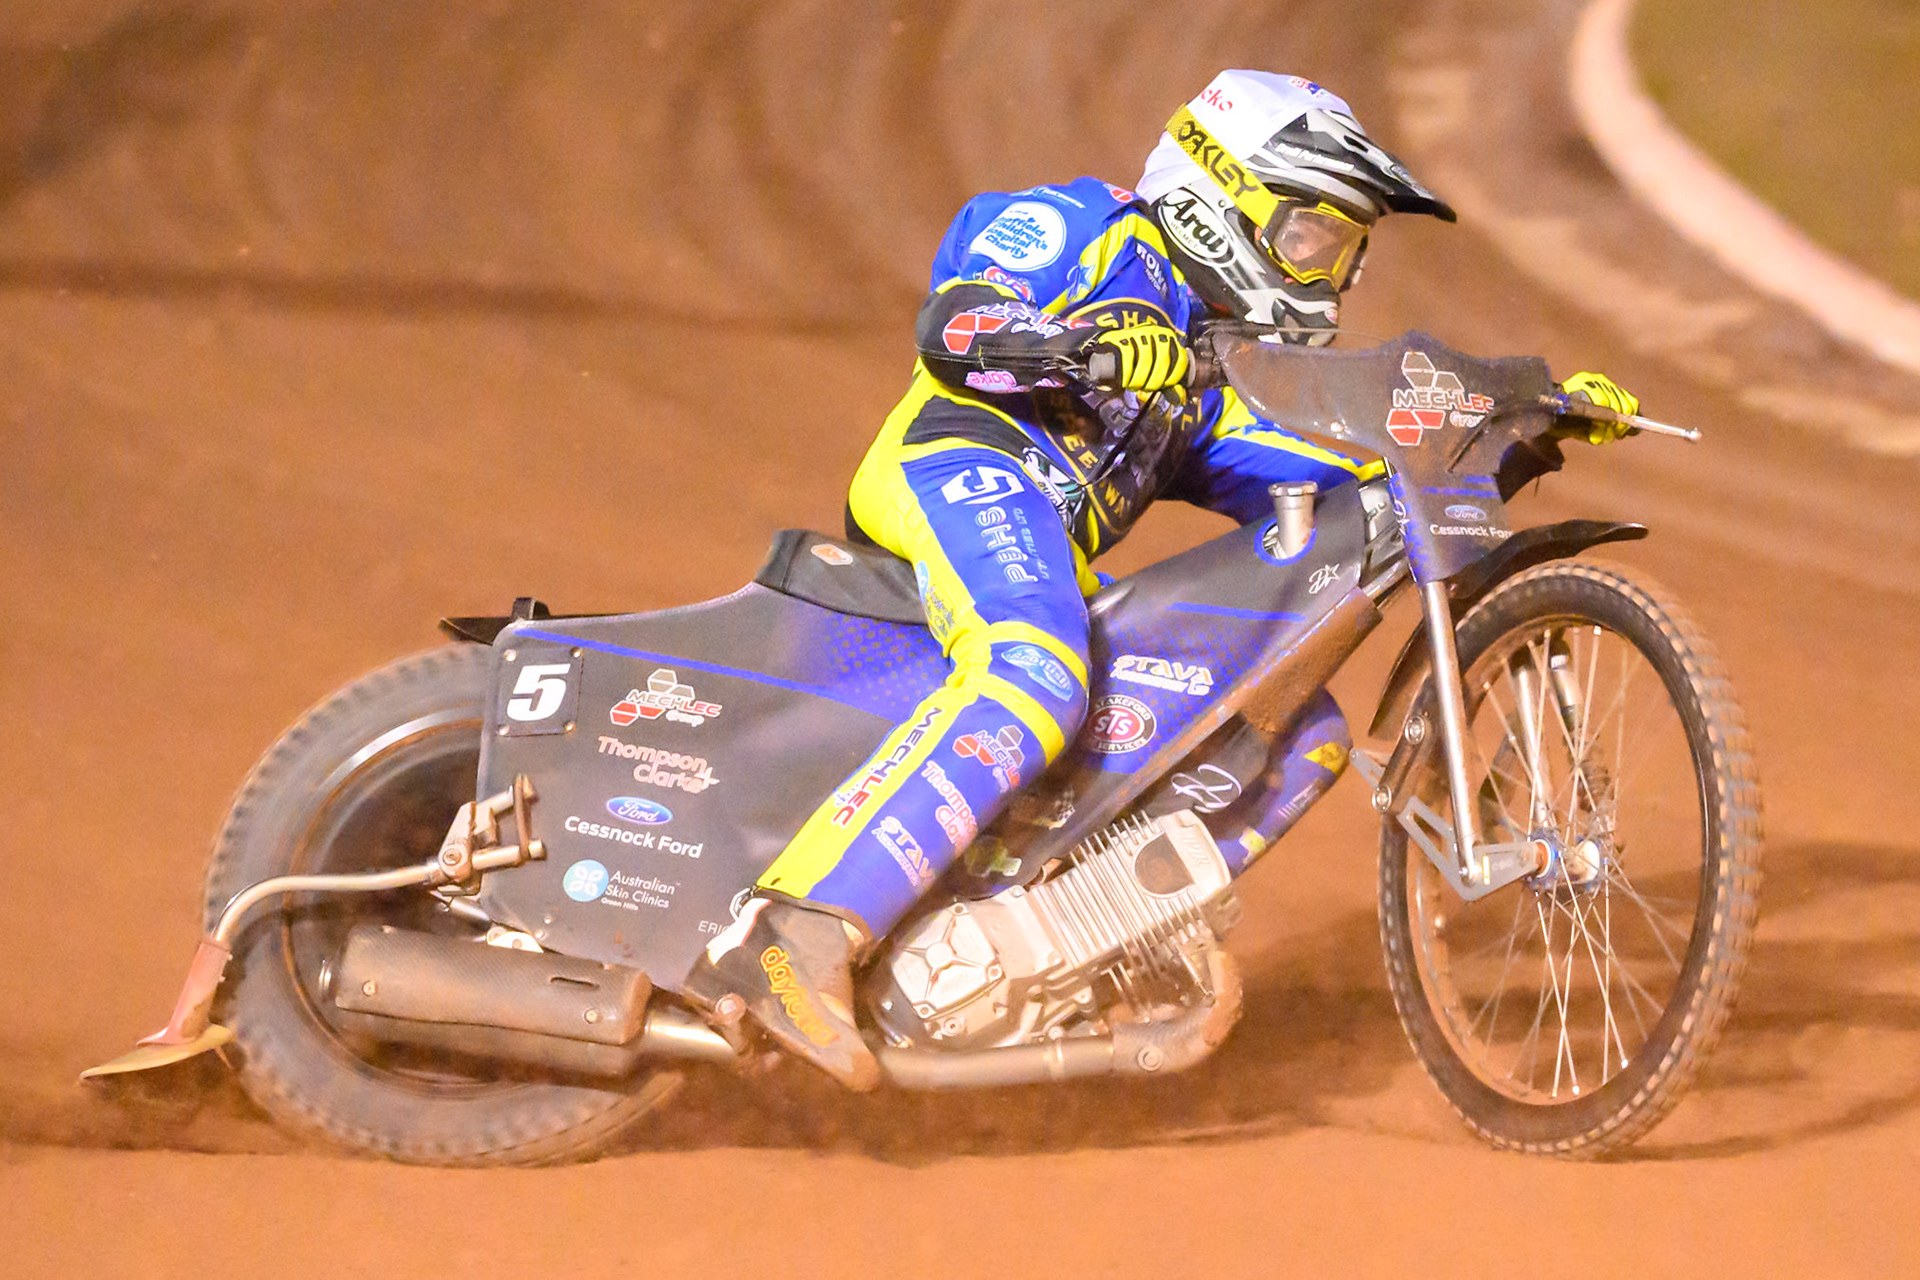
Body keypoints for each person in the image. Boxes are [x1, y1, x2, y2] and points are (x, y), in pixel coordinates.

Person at [686, 70, 1639, 1088]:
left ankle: (1048, 944)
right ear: (1220, 194)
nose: (1336, 272)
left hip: (1037, 542)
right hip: (957, 460)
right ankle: (791, 929)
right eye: (1315, 236)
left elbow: (1361, 482)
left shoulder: (1200, 379)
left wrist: (1509, 432)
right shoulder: (1087, 228)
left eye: (1348, 248)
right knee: (1040, 668)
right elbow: (958, 320)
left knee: (1294, 735)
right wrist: (1082, 343)